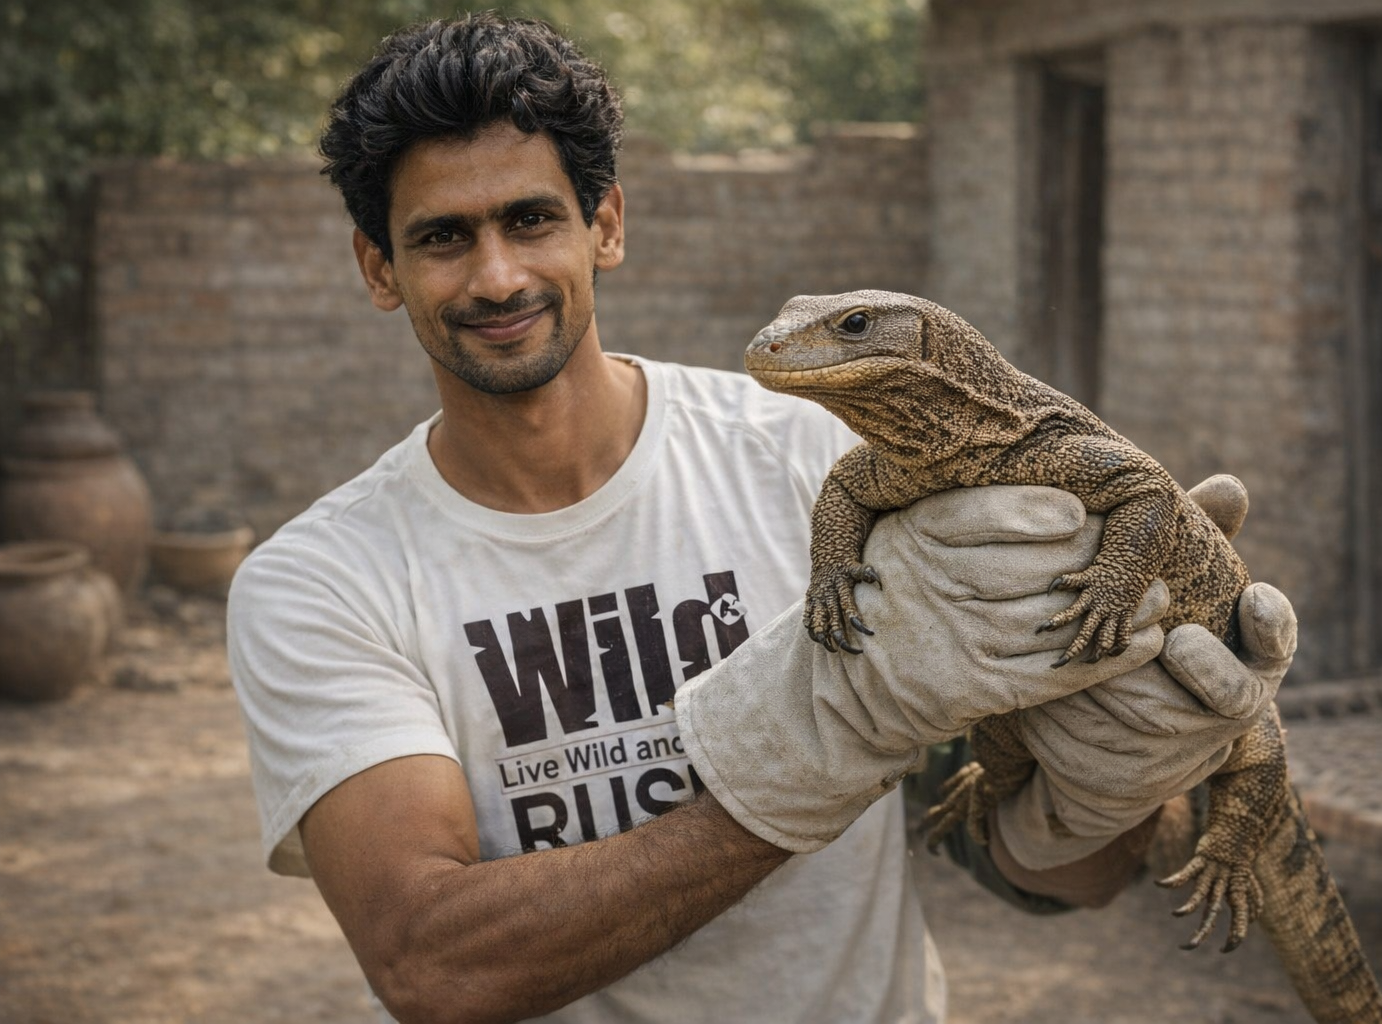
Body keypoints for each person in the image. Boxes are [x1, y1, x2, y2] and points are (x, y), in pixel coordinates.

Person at [227, 14, 1297, 1024]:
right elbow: (432, 961)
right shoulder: (319, 582)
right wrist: (825, 738)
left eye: (531, 218)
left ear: (605, 224)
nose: (497, 274)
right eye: (443, 237)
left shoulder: (827, 460)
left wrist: (1102, 792)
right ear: (380, 268)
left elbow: (1036, 872)